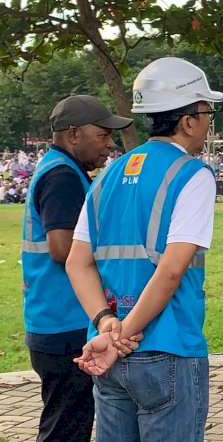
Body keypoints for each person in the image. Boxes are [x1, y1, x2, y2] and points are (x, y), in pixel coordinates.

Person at [66, 57, 223, 441]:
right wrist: (125, 336)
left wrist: (108, 324)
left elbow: (77, 262)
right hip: (166, 347)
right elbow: (171, 270)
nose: (208, 122)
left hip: (108, 345)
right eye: (207, 112)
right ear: (188, 120)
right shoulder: (193, 175)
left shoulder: (109, 173)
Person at [21, 94, 133, 441]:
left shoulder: (61, 169)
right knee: (66, 429)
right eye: (102, 135)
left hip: (52, 318)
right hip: (65, 322)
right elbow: (62, 249)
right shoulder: (63, 177)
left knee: (65, 422)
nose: (109, 145)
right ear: (73, 135)